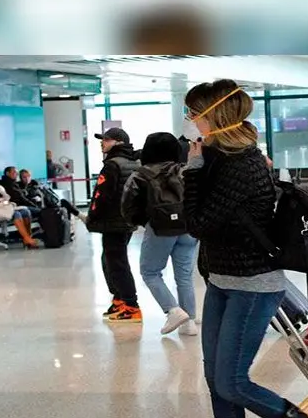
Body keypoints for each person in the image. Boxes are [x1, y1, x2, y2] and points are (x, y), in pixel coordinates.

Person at [182, 79, 308, 418]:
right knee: (216, 378)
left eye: (193, 113)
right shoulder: (220, 157)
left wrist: (192, 171)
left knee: (233, 381)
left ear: (212, 115)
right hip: (223, 279)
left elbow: (198, 223)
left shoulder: (241, 163)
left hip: (253, 286)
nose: (189, 121)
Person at [122, 132, 200, 336]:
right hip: (188, 228)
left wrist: (140, 222)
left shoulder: (141, 174)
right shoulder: (185, 170)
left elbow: (128, 205)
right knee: (184, 276)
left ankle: (172, 310)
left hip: (160, 227)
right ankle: (189, 322)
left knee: (150, 272)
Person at [86, 127, 142, 322]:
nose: (102, 142)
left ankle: (131, 305)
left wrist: (92, 217)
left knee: (117, 263)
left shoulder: (112, 165)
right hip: (126, 220)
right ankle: (119, 299)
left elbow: (102, 196)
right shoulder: (134, 162)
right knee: (111, 259)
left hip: (112, 221)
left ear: (118, 143)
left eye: (107, 139)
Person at [0, 171, 38, 248]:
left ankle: (28, 238)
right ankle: (27, 239)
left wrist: (3, 200)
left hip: (2, 208)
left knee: (25, 211)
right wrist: (2, 203)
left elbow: (7, 197)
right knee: (16, 214)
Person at [18, 168, 82, 219]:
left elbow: (46, 193)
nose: (27, 179)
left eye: (28, 176)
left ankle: (79, 216)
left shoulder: (35, 183)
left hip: (47, 204)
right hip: (37, 207)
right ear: (21, 178)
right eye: (24, 177)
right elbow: (24, 199)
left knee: (64, 202)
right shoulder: (19, 187)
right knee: (61, 208)